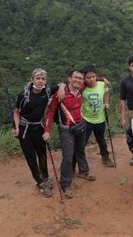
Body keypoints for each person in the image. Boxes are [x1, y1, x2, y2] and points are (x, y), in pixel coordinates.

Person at [44, 69, 96, 199]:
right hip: (66, 128)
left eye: (80, 78)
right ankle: (65, 184)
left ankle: (83, 171)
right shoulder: (60, 94)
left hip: (80, 125)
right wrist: (46, 131)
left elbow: (92, 80)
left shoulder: (80, 89)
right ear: (69, 79)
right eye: (76, 77)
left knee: (80, 150)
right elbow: (50, 113)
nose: (78, 80)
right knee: (68, 156)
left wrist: (102, 80)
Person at [12, 68, 60, 197]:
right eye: (38, 78)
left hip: (39, 127)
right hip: (25, 129)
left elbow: (62, 85)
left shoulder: (47, 90)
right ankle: (39, 182)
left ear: (46, 80)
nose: (40, 81)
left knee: (42, 154)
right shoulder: (24, 95)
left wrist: (61, 88)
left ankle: (45, 177)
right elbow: (16, 111)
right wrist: (16, 127)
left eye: (43, 78)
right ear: (32, 79)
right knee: (31, 157)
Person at [81, 65, 114, 167]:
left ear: (96, 76)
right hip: (86, 119)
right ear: (84, 79)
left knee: (101, 139)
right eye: (88, 77)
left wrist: (107, 103)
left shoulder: (101, 84)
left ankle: (105, 157)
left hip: (100, 118)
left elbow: (107, 93)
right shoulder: (82, 89)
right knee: (83, 142)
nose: (91, 79)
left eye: (93, 76)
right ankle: (81, 162)